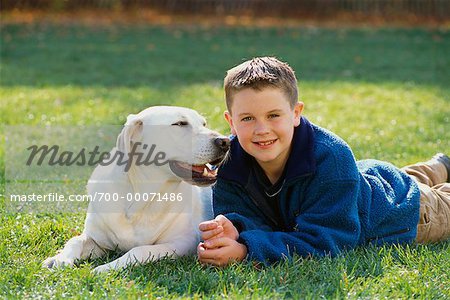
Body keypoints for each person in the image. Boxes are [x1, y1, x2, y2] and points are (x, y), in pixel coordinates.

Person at [196, 56, 450, 266]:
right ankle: (439, 166)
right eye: (247, 118)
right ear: (231, 122)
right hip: (363, 182)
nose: (262, 129)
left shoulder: (332, 157)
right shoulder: (229, 161)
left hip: (405, 210)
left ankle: (436, 173)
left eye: (274, 115)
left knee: (428, 197)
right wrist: (236, 227)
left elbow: (326, 242)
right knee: (395, 179)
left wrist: (246, 251)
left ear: (296, 114)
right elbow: (244, 215)